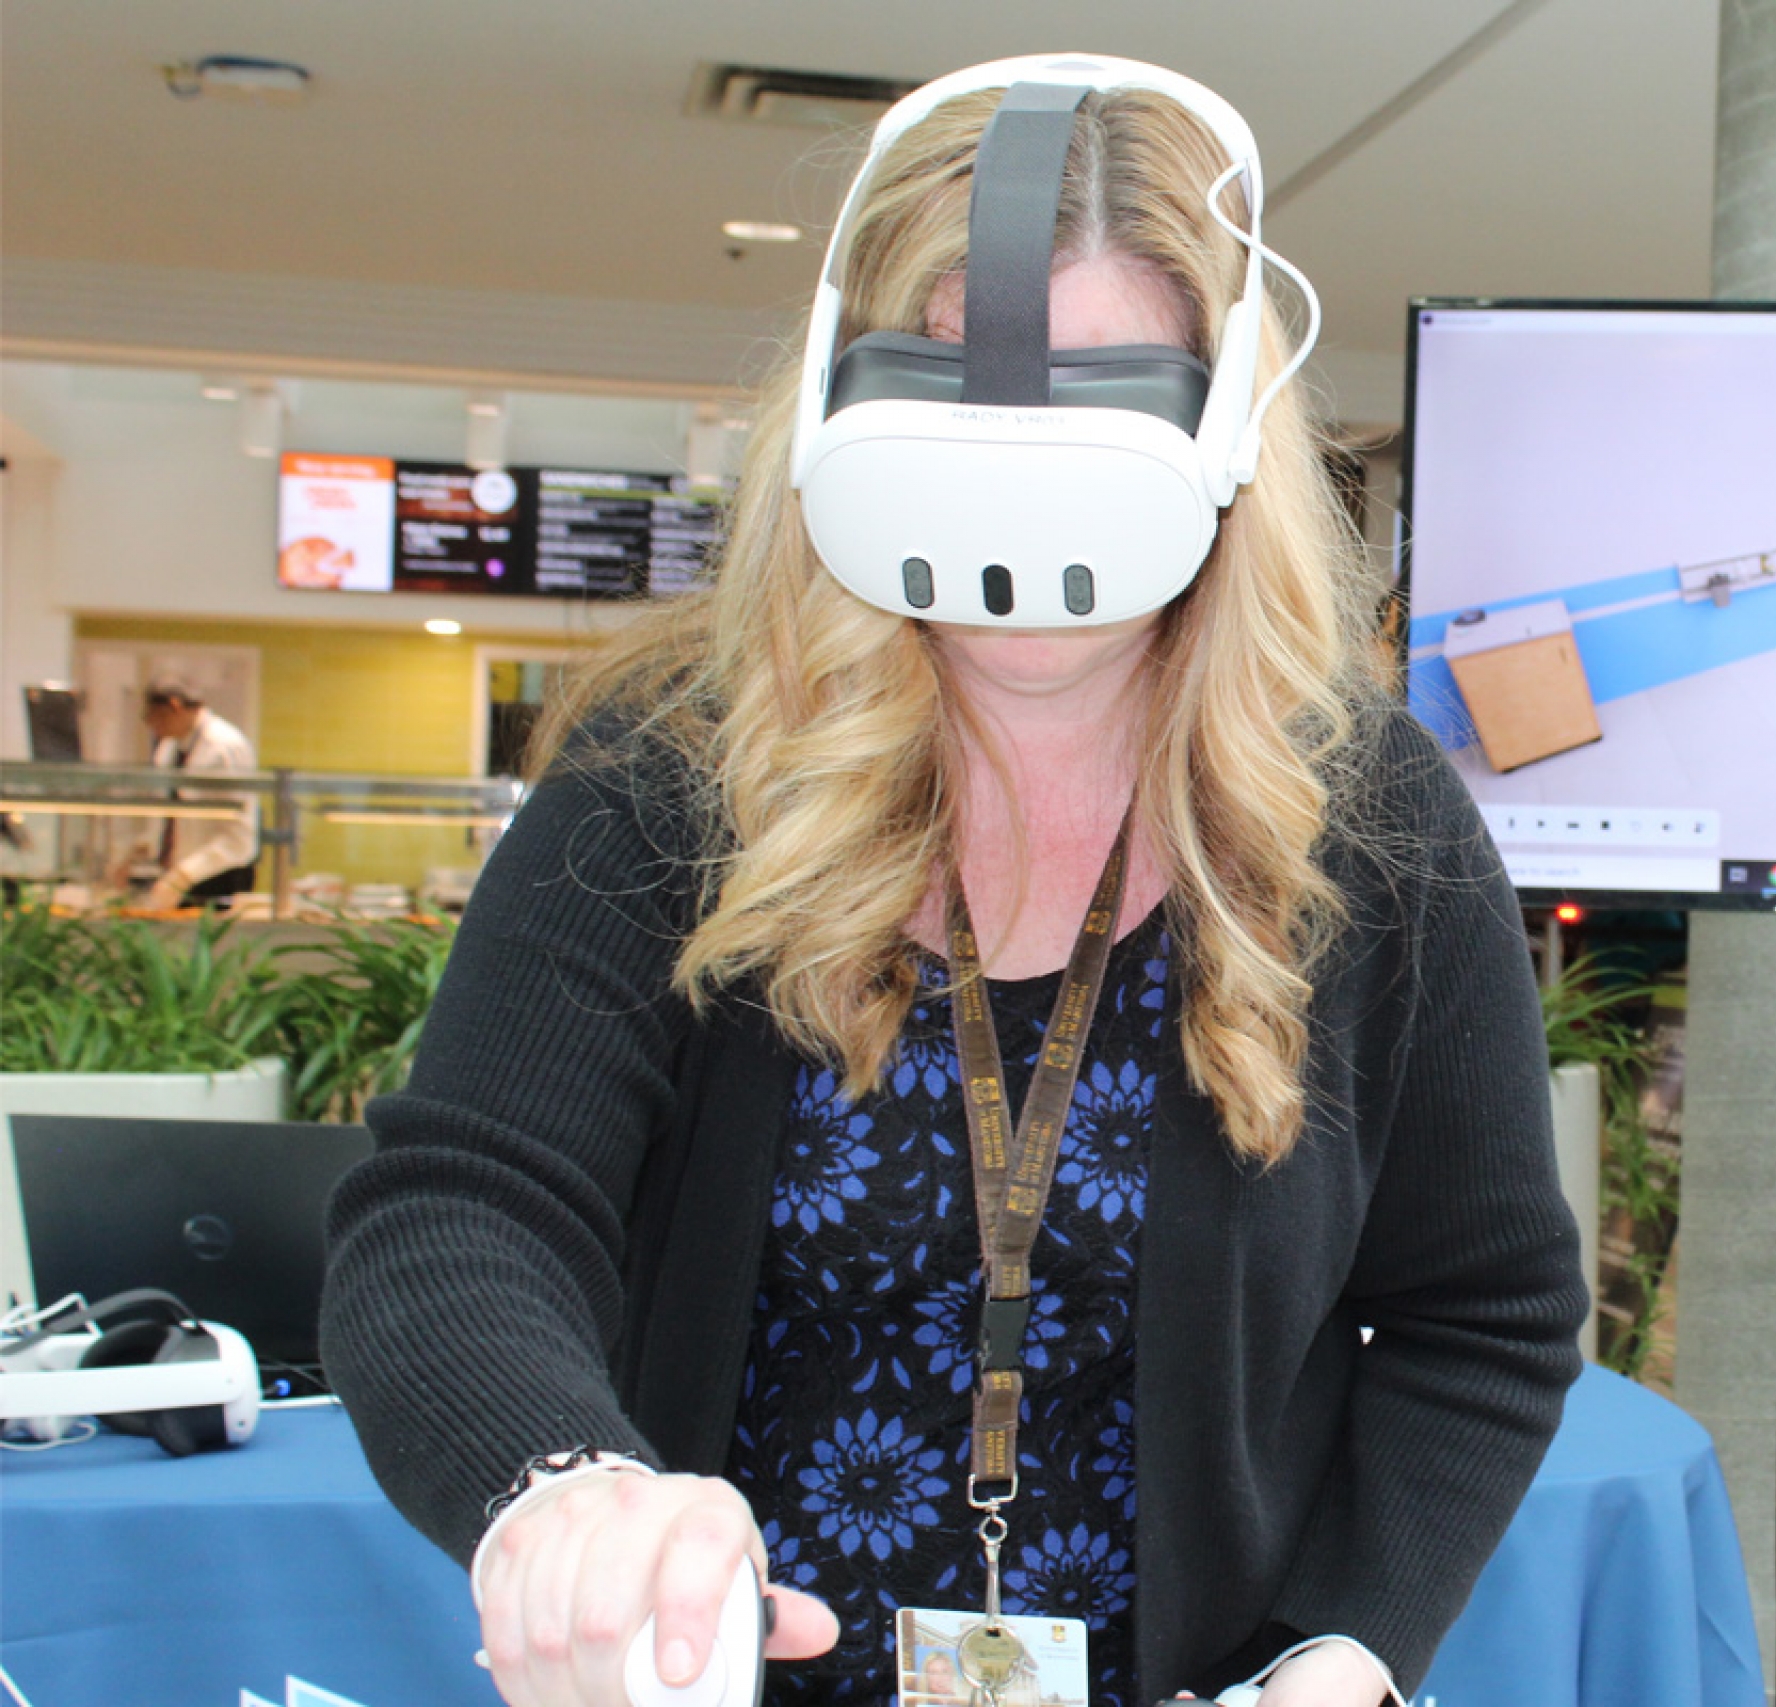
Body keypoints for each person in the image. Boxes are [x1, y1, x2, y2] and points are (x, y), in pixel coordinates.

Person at [321, 56, 1586, 1707]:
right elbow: (461, 1208)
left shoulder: (1366, 814)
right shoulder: (673, 776)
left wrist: (1344, 1649)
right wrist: (564, 1489)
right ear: (846, 409)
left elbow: (1480, 1310)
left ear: (1222, 434)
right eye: (955, 393)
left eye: (1095, 397)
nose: (1017, 472)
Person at [123, 677, 260, 909]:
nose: (152, 727)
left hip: (219, 874)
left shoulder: (224, 746)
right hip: (181, 873)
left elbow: (238, 836)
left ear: (174, 707)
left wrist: (184, 875)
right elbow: (168, 812)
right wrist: (138, 852)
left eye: (153, 717)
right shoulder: (171, 746)